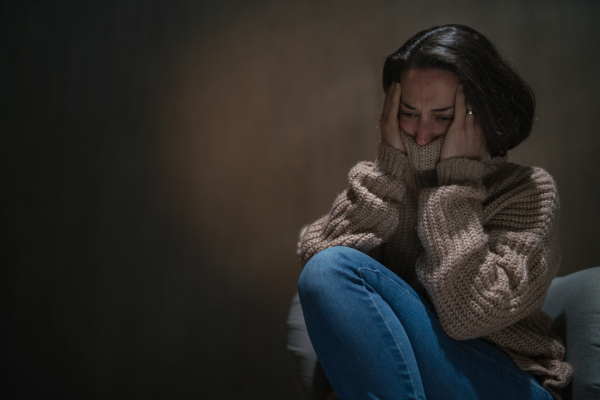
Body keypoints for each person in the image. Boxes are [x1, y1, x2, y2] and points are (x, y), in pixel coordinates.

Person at [290, 24, 573, 400]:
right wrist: (388, 170)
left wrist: (455, 185)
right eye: (409, 113)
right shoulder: (395, 184)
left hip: (509, 381)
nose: (422, 136)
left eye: (442, 117)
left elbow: (469, 317)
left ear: (482, 114)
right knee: (326, 268)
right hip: (416, 371)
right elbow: (321, 269)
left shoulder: (529, 191)